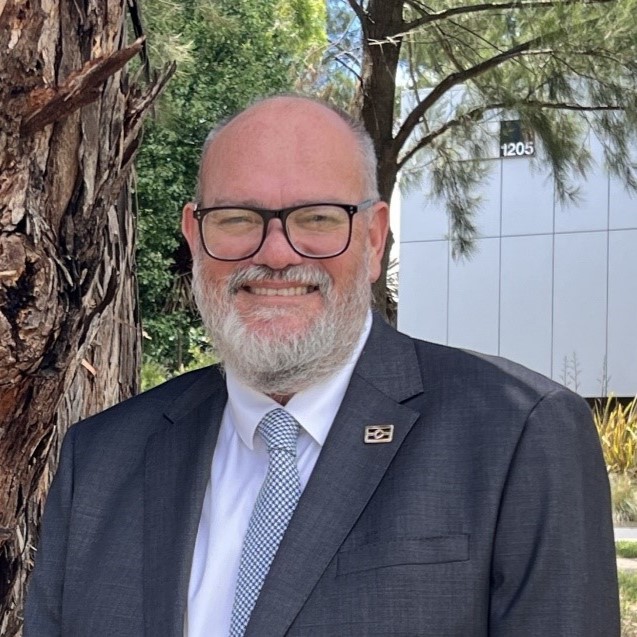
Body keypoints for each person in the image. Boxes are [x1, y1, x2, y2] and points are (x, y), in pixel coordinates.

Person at [25, 95, 619, 637]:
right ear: (195, 235)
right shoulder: (100, 461)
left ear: (374, 239)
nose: (277, 253)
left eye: (318, 218)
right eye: (236, 218)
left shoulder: (516, 434)